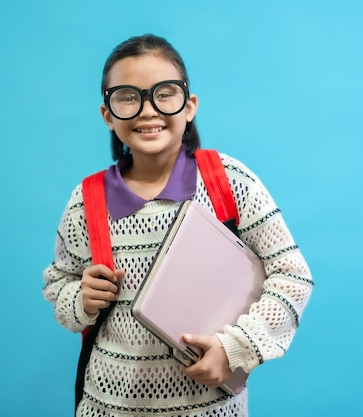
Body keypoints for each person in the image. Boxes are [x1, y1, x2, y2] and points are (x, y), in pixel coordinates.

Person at [42, 33, 313, 417]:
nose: (147, 110)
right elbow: (59, 284)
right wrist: (79, 299)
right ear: (107, 115)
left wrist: (235, 348)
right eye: (128, 96)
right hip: (108, 407)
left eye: (164, 93)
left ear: (190, 106)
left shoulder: (230, 182)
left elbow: (293, 275)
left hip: (210, 409)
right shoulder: (86, 201)